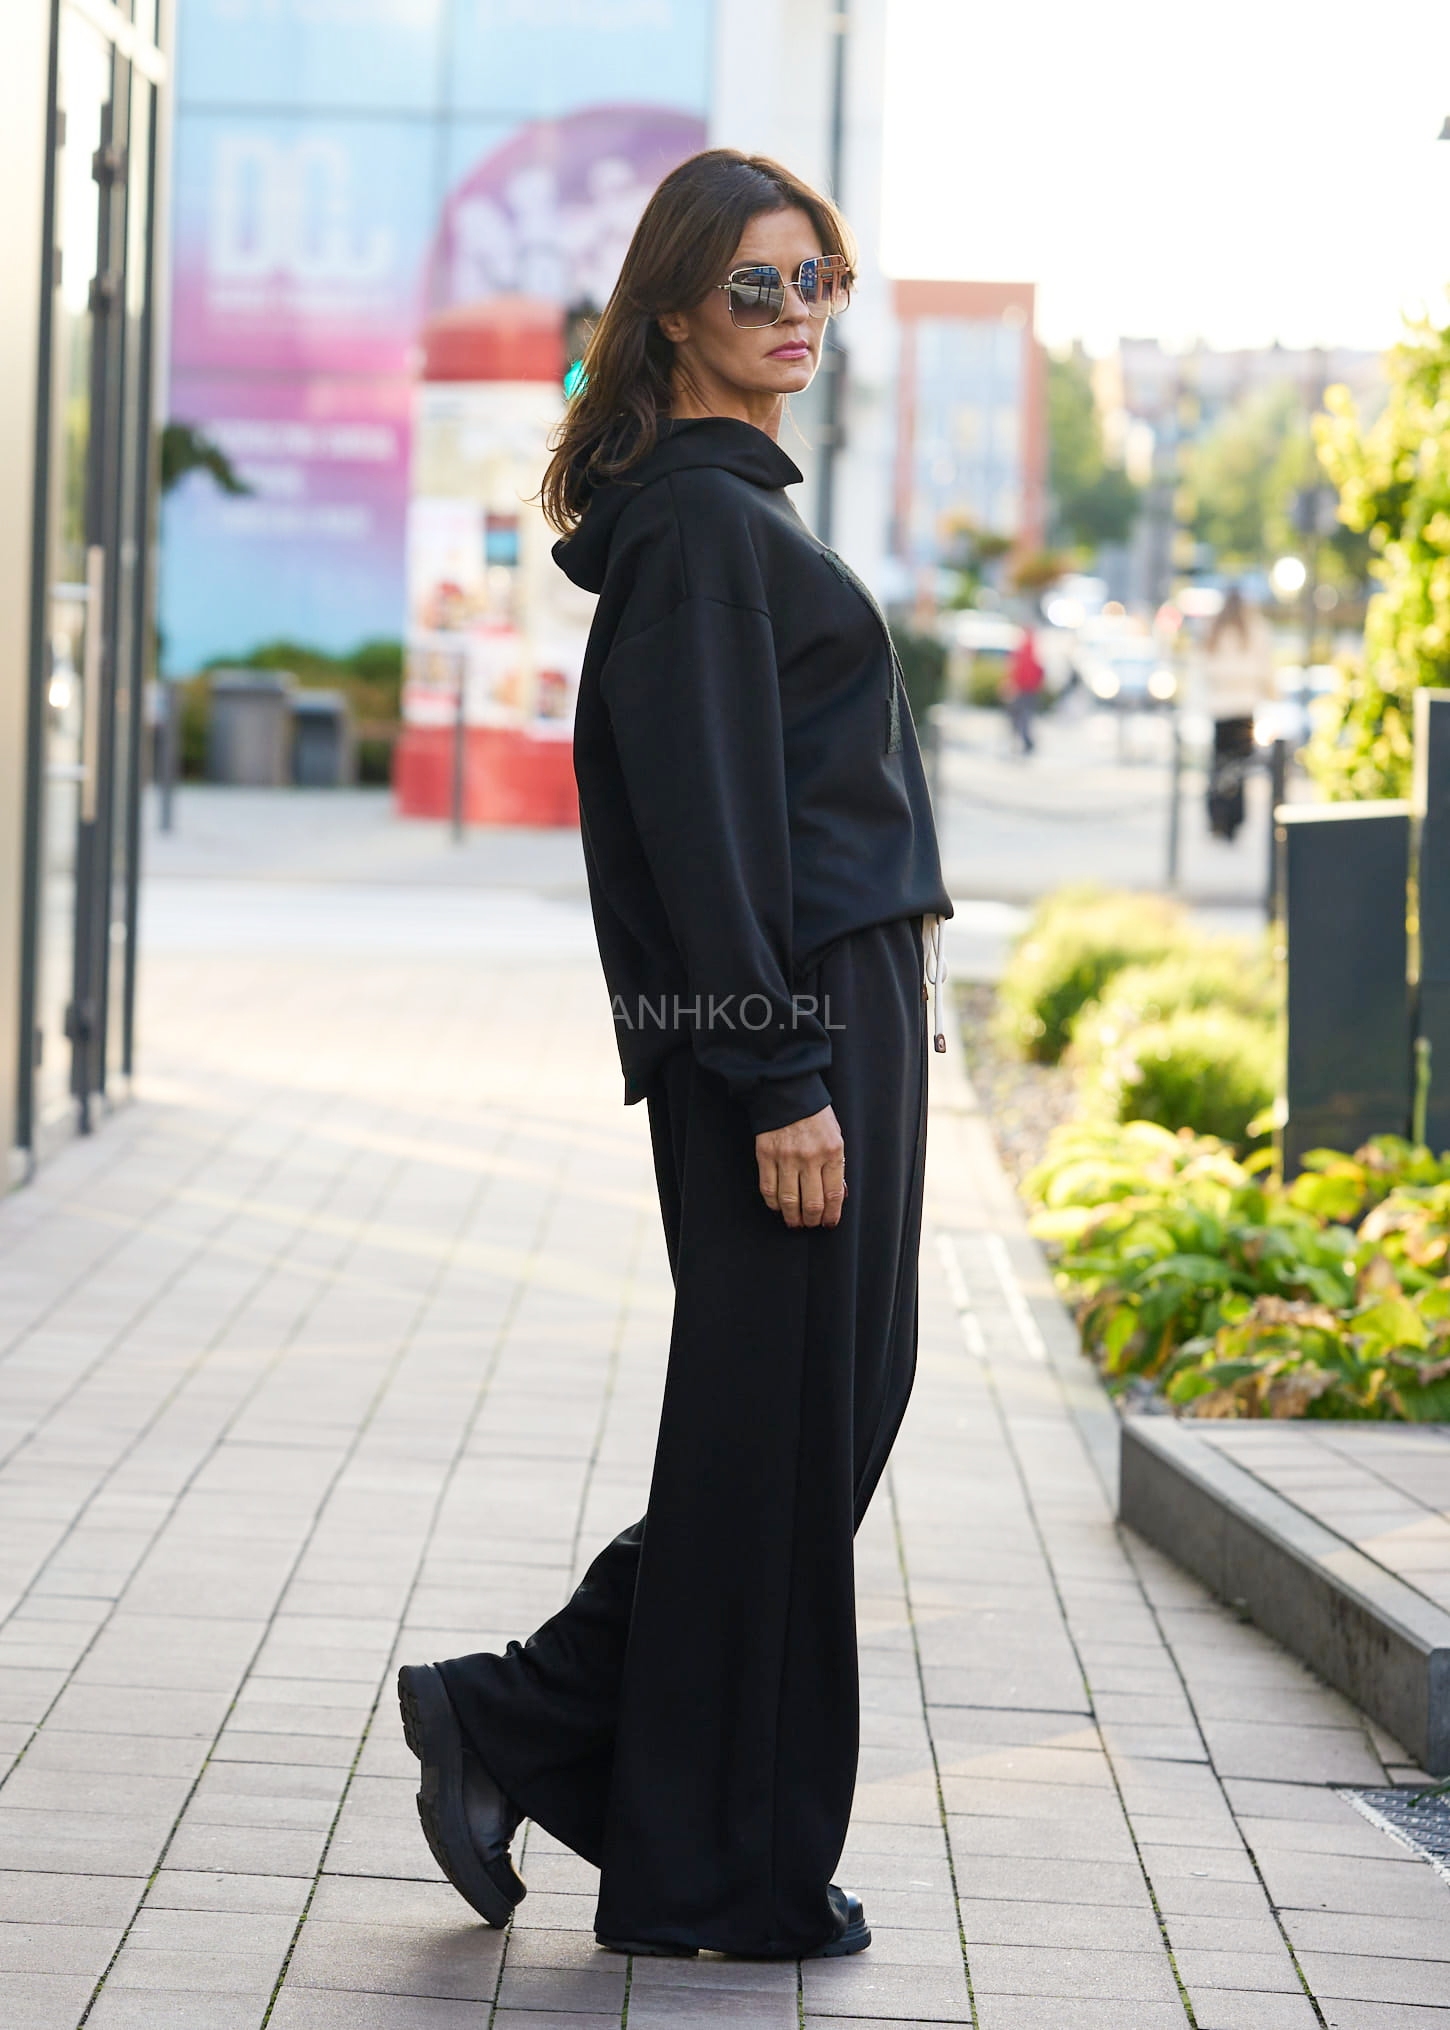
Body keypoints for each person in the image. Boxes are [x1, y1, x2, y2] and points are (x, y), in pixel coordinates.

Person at [397, 149, 952, 1964]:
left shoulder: (728, 513)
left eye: (818, 282)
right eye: (755, 287)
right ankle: (684, 1844)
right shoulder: (705, 530)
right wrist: (780, 1075)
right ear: (673, 314)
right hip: (792, 1034)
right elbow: (703, 838)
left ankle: (537, 1731)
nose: (796, 315)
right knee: (774, 1441)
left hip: (830, 1012)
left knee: (793, 1433)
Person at [1196, 587, 1277, 840]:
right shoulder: (1252, 628)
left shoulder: (1217, 629)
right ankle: (1233, 819)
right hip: (1243, 707)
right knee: (1239, 770)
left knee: (1220, 767)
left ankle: (1217, 817)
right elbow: (1265, 668)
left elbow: (1204, 668)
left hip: (1221, 708)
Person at [1004, 628, 1045, 754]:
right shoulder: (1033, 651)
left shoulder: (1023, 651)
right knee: (1025, 717)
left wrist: (1011, 684)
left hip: (1022, 689)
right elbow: (1040, 671)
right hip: (1030, 690)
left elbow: (1015, 670)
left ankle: (1021, 740)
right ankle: (1025, 741)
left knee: (1018, 716)